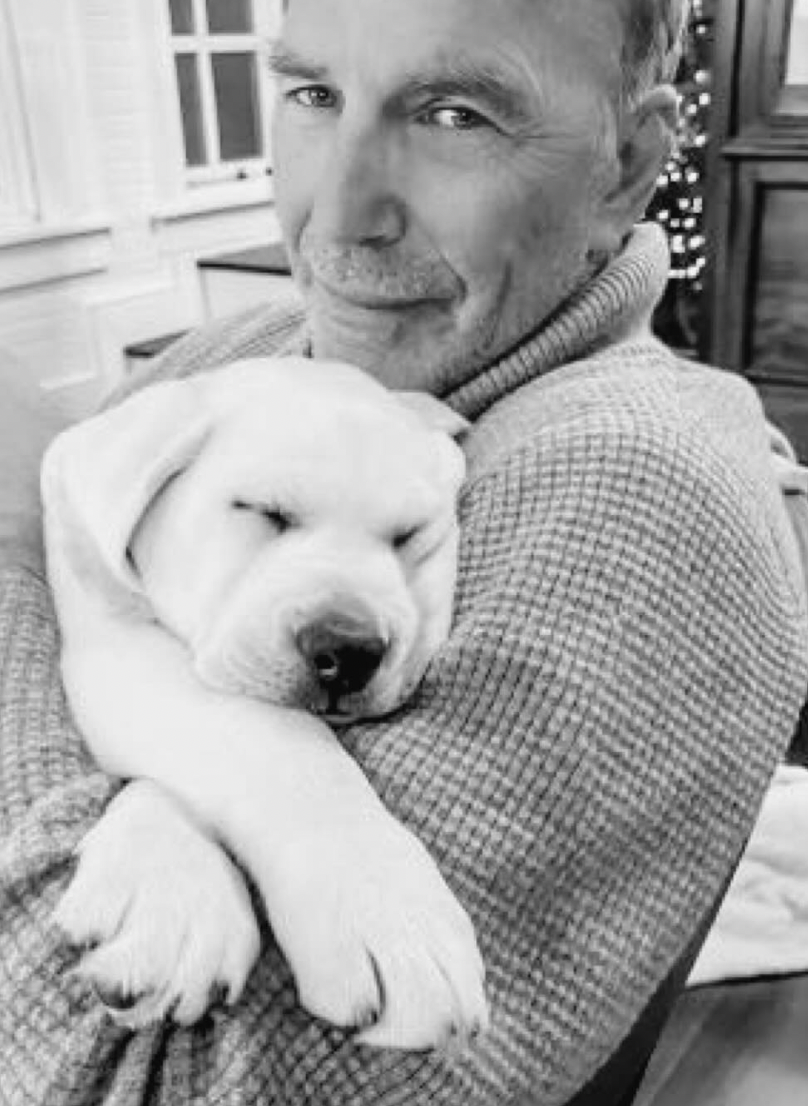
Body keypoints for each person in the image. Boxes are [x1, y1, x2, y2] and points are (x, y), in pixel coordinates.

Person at [1, 0, 807, 1102]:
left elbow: (115, 1077)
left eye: (456, 112)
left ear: (629, 164)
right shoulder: (253, 349)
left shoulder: (633, 478)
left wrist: (16, 536)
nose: (338, 218)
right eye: (314, 95)